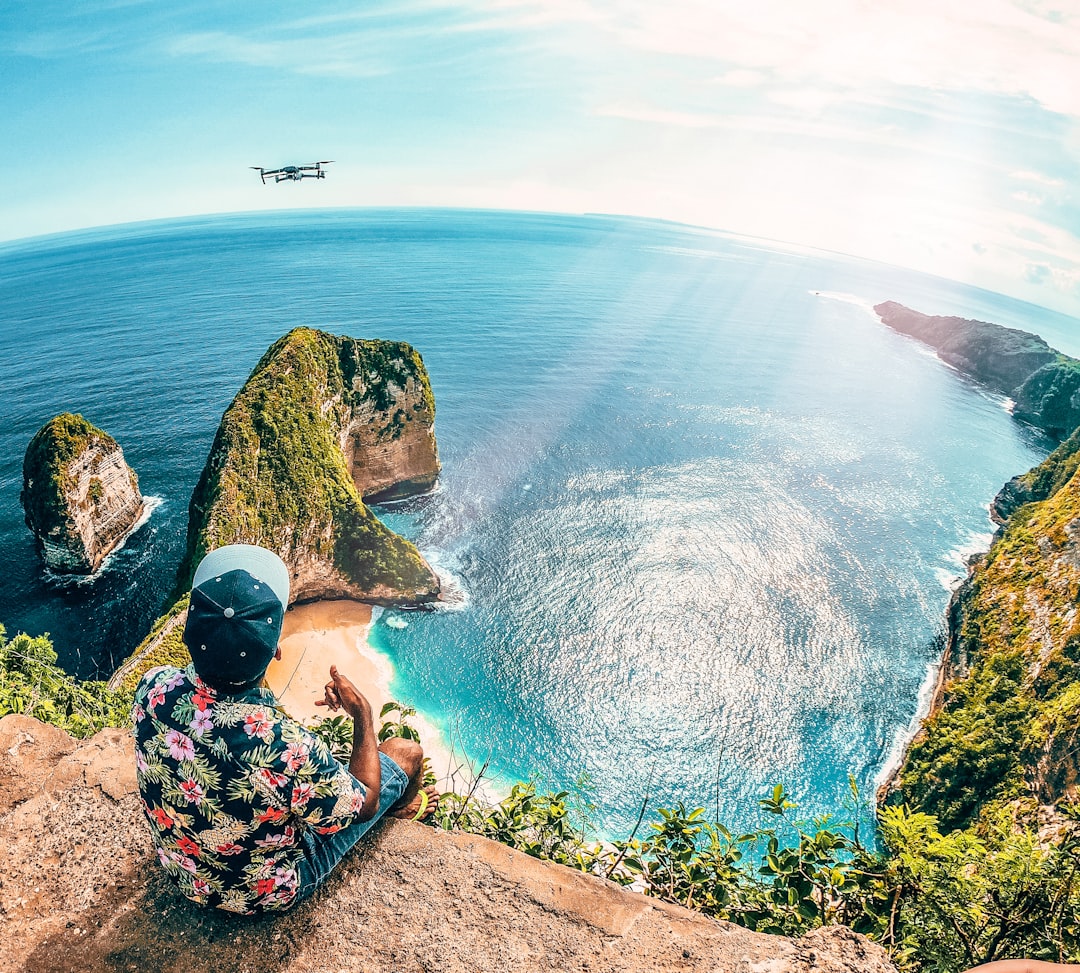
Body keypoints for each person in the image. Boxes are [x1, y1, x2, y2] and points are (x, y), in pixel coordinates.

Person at [132, 543, 435, 914]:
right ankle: (402, 809)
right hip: (261, 896)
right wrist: (363, 713)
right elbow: (365, 802)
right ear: (276, 650)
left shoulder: (154, 687)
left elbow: (228, 714)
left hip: (184, 872)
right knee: (405, 753)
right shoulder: (288, 748)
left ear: (189, 635)